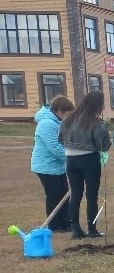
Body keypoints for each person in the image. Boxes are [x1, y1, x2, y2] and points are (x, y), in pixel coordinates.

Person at [58, 90, 112, 239]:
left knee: (75, 194)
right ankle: (92, 229)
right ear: (97, 105)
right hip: (89, 160)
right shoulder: (95, 122)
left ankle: (76, 230)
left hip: (71, 160)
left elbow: (60, 139)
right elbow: (103, 145)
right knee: (91, 196)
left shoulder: (67, 120)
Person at [31, 95, 74, 232]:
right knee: (54, 195)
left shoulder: (57, 122)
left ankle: (65, 223)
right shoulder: (46, 124)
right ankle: (54, 225)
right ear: (60, 111)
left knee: (64, 194)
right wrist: (73, 158)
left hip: (57, 166)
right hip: (46, 166)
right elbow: (55, 148)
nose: (68, 117)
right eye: (67, 114)